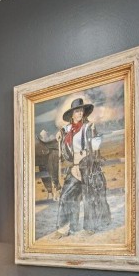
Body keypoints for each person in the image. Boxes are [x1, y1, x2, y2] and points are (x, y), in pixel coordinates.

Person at [55, 98, 111, 235]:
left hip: (87, 163)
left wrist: (95, 153)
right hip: (74, 165)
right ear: (72, 114)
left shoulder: (89, 126)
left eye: (81, 111)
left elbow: (96, 144)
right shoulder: (67, 129)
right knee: (66, 195)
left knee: (89, 196)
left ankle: (90, 227)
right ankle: (64, 228)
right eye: (77, 111)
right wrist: (60, 133)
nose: (80, 113)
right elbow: (63, 131)